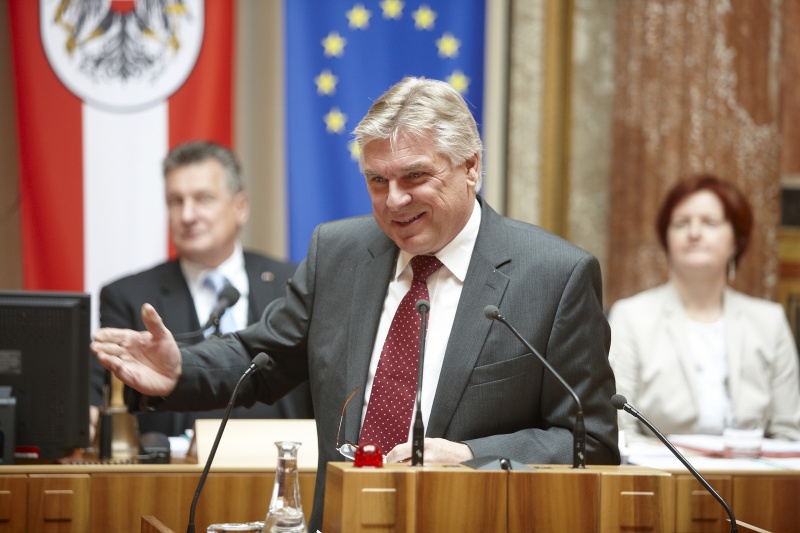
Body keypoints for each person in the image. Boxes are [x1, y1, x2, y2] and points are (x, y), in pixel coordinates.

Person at [92, 77, 619, 530]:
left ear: (471, 167)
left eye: (415, 176)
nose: (394, 201)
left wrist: (471, 456)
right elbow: (263, 357)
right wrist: (181, 368)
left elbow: (589, 441)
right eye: (377, 181)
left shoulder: (553, 275)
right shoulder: (339, 252)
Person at [89, 141, 314, 440]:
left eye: (203, 199)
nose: (187, 215)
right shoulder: (128, 297)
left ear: (240, 207)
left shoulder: (294, 283)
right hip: (175, 478)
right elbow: (104, 403)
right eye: (176, 201)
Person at [609, 174, 800, 445]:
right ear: (667, 238)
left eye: (710, 222)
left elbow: (789, 434)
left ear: (736, 240)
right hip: (661, 477)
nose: (694, 233)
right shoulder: (631, 317)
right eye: (681, 223)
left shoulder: (770, 322)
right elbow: (619, 429)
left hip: (753, 479)